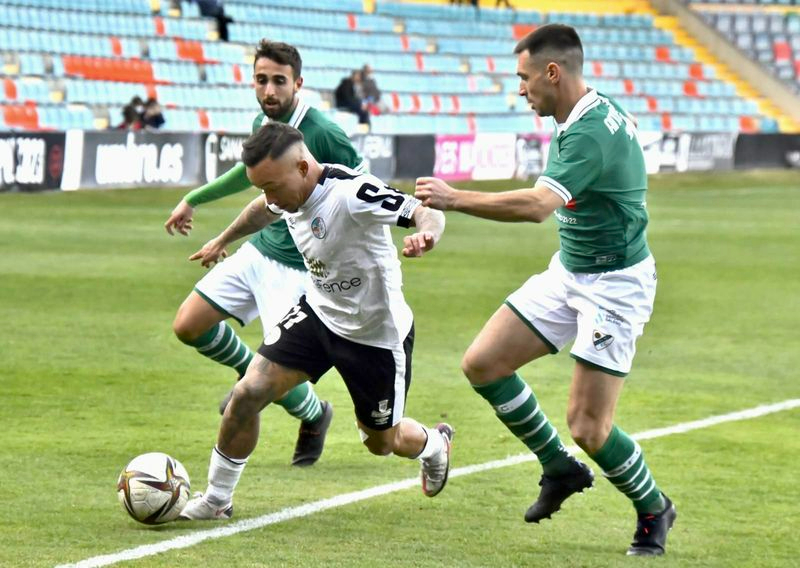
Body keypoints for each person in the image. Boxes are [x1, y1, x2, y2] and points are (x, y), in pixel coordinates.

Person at [414, 24, 676, 556]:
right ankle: (558, 469)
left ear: (552, 73)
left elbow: (537, 206)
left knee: (589, 426)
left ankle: (654, 507)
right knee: (483, 362)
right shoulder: (580, 115)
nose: (520, 88)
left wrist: (454, 198)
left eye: (524, 77)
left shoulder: (589, 132)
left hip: (614, 285)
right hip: (571, 271)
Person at [179, 122, 452, 520]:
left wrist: (426, 236)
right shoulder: (284, 193)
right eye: (262, 187)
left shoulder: (352, 192)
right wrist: (224, 238)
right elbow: (262, 209)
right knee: (247, 393)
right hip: (319, 315)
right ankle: (217, 499)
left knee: (381, 443)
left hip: (375, 335)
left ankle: (433, 445)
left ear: (304, 168)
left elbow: (425, 212)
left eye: (273, 186)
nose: (270, 197)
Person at [164, 40, 365, 467]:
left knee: (274, 374)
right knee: (189, 325)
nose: (269, 90)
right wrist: (195, 200)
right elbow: (250, 174)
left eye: (279, 81)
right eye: (261, 80)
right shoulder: (265, 120)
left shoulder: (325, 134)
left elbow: (365, 190)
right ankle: (261, 380)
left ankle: (313, 413)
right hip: (260, 251)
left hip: (301, 271)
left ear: (298, 83)